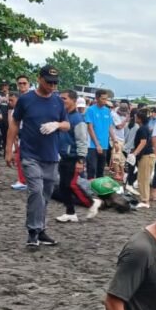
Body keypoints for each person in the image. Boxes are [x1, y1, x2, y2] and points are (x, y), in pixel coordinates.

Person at [6, 66, 70, 248]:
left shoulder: (58, 102)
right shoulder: (26, 100)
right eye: (49, 81)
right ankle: (33, 231)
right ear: (39, 79)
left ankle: (40, 230)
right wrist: (9, 150)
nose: (52, 85)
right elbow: (15, 123)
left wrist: (57, 124)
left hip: (51, 155)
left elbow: (67, 124)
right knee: (35, 191)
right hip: (30, 154)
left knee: (46, 194)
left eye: (55, 82)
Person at [53, 90, 92, 223]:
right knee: (64, 186)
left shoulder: (78, 119)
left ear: (74, 101)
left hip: (74, 158)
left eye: (64, 99)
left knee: (70, 185)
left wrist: (81, 160)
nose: (61, 101)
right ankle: (70, 212)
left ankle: (93, 203)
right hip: (64, 156)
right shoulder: (63, 117)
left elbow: (82, 141)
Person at [128, 110, 156, 209]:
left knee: (143, 179)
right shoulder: (146, 128)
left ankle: (145, 200)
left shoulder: (142, 129)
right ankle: (145, 199)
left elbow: (143, 142)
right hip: (149, 156)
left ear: (139, 118)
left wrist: (134, 153)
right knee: (143, 178)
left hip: (146, 156)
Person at [86, 89, 115, 179]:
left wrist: (115, 140)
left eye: (106, 99)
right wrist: (97, 144)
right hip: (92, 145)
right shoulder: (91, 110)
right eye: (103, 99)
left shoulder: (107, 111)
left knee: (100, 170)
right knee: (92, 169)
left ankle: (99, 191)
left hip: (104, 145)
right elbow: (90, 128)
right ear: (97, 98)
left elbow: (109, 127)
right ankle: (89, 191)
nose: (105, 101)